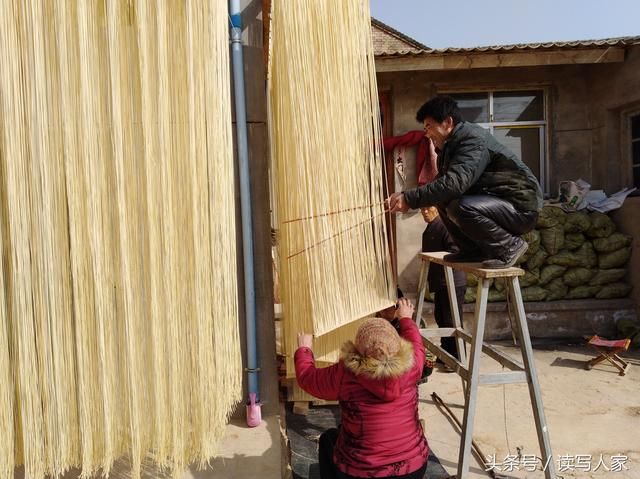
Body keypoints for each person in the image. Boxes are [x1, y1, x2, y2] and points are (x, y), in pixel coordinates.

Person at [387, 95, 543, 269]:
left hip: (521, 208)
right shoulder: (449, 148)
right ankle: (472, 250)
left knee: (461, 206)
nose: (427, 134)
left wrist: (409, 198)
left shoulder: (472, 140)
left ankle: (509, 245)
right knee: (442, 199)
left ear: (447, 122)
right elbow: (441, 186)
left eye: (429, 127)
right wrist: (406, 197)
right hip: (498, 204)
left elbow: (454, 184)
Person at [294, 298, 428, 479]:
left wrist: (304, 349)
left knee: (329, 440)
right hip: (413, 468)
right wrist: (405, 318)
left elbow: (308, 379)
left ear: (359, 348)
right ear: (397, 345)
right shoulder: (413, 365)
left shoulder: (346, 373)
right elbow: (416, 343)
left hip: (362, 471)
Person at [420, 206, 466, 365]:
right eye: (422, 209)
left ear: (437, 209)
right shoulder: (432, 226)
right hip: (441, 281)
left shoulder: (445, 226)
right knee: (441, 317)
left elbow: (454, 250)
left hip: (452, 281)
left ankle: (457, 357)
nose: (425, 212)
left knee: (451, 319)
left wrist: (434, 258)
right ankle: (446, 353)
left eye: (428, 208)